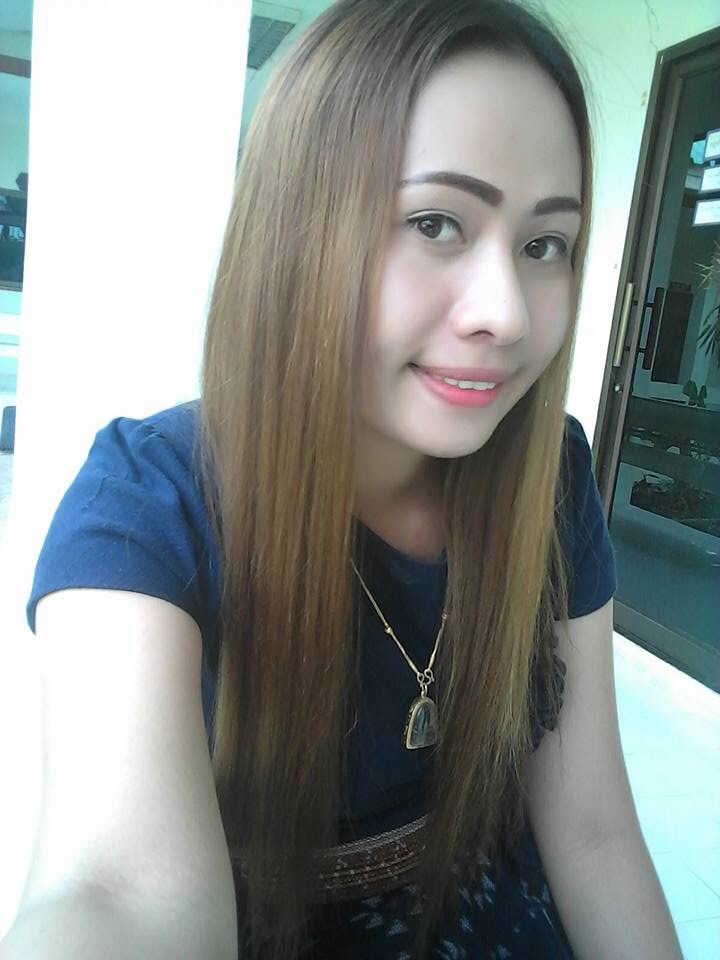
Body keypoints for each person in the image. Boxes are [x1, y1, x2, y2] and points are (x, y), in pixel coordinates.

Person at [1, 1, 683, 958]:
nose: (506, 314)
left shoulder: (551, 476)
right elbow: (117, 890)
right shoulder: (151, 503)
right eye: (436, 223)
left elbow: (595, 831)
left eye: (544, 245)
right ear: (297, 231)